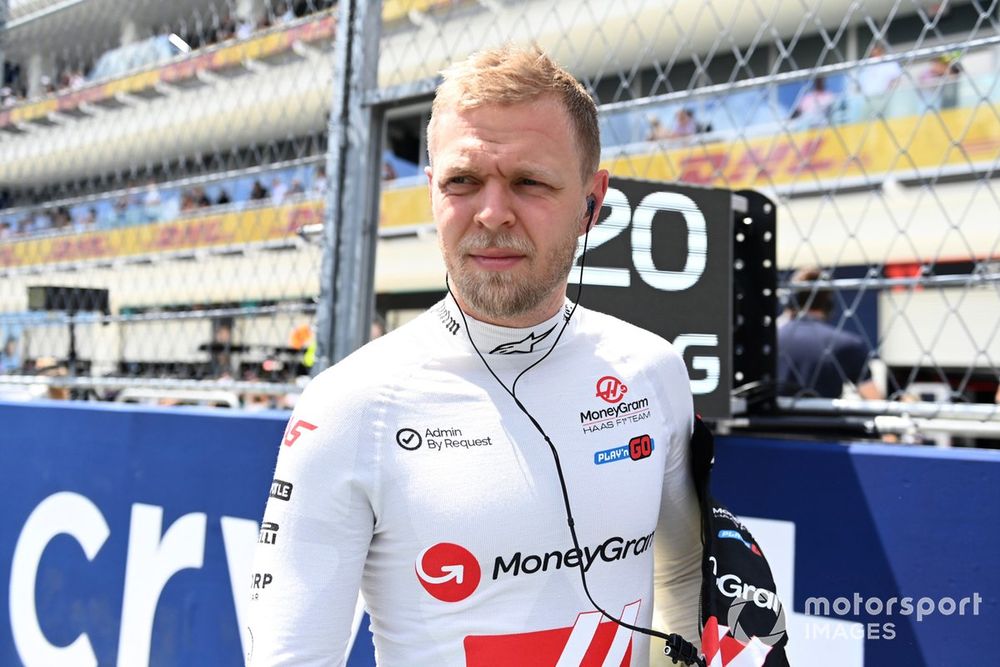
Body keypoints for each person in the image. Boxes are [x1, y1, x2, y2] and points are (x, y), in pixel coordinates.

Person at [247, 45, 702, 666]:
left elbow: (680, 577)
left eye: (529, 182)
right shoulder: (351, 404)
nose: (491, 213)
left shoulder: (651, 370)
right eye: (463, 181)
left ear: (592, 203)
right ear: (432, 191)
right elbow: (291, 657)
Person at [777, 267, 883, 400]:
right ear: (828, 304)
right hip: (823, 419)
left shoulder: (769, 341)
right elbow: (874, 399)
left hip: (769, 419)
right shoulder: (848, 344)